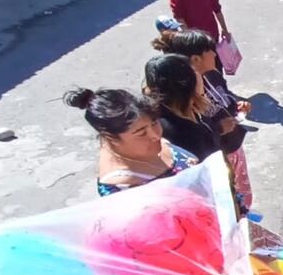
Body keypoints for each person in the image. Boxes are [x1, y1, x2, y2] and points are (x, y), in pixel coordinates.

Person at [152, 28, 253, 208]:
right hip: (219, 157)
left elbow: (224, 96)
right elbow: (198, 135)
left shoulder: (213, 76)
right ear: (195, 60)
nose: (215, 53)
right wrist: (219, 129)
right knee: (230, 199)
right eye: (210, 50)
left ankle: (243, 210)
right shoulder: (186, 102)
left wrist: (236, 105)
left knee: (242, 194)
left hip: (234, 145)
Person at [66, 88, 197, 197]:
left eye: (154, 123)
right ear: (111, 137)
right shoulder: (121, 190)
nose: (156, 135)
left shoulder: (147, 144)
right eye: (141, 133)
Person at [144, 54, 221, 161]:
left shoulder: (181, 111)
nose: (199, 75)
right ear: (188, 83)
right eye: (194, 72)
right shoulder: (181, 132)